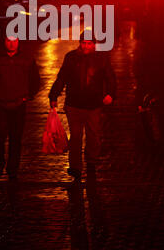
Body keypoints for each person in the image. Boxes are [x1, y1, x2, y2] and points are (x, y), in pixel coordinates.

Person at [49, 30, 116, 180]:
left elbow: (110, 78)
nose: (86, 46)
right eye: (84, 43)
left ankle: (91, 162)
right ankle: (75, 167)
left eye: (89, 43)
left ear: (94, 45)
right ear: (80, 43)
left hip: (93, 104)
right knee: (76, 137)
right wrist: (54, 95)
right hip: (74, 104)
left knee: (93, 136)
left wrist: (110, 94)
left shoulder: (101, 59)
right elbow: (62, 78)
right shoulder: (71, 58)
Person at [0, 36, 40, 180]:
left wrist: (29, 95)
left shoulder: (27, 58)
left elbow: (35, 78)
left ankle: (13, 168)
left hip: (19, 103)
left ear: (18, 42)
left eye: (14, 41)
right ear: (4, 41)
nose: (11, 44)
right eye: (8, 40)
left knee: (16, 137)